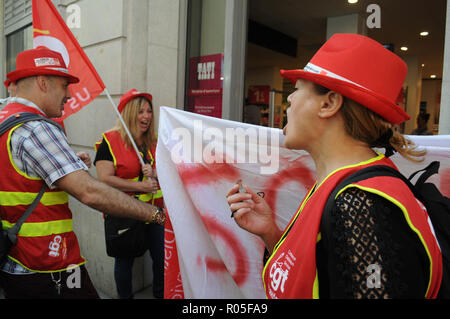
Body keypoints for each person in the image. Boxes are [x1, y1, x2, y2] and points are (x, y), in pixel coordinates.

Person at [226, 33, 443, 299]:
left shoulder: (360, 203)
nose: (290, 99)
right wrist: (270, 233)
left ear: (328, 103)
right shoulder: (344, 187)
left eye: (298, 88)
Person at [0, 47, 165, 299]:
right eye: (65, 85)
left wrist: (64, 162)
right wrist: (155, 214)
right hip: (47, 266)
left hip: (17, 262)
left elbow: (16, 172)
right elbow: (89, 192)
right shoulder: (36, 128)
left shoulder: (6, 119)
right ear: (43, 83)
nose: (68, 94)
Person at [94, 89, 165, 299]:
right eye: (141, 111)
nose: (146, 116)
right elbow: (104, 178)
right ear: (129, 114)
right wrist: (141, 187)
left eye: (149, 112)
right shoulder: (110, 140)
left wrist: (155, 173)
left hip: (155, 213)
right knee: (124, 263)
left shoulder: (156, 141)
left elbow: (168, 173)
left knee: (162, 259)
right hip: (124, 212)